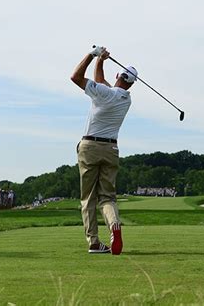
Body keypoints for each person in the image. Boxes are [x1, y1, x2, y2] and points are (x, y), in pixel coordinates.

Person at [71, 46, 137, 255]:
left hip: (90, 147)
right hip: (111, 148)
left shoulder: (104, 93)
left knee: (88, 197)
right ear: (131, 83)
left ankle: (94, 242)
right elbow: (102, 84)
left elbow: (75, 77)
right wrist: (101, 61)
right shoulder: (125, 99)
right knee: (107, 197)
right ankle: (114, 225)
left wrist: (93, 56)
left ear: (118, 75)